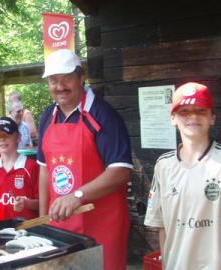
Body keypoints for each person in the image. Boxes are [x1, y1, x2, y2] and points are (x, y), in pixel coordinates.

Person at [144, 82, 221, 270]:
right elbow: (162, 225)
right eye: (184, 111)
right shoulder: (163, 165)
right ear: (173, 118)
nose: (193, 116)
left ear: (212, 117)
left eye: (201, 110)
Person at [37, 49, 133, 270]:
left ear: (81, 78)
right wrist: (43, 221)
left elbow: (121, 171)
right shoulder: (47, 117)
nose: (60, 86)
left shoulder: (103, 115)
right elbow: (44, 170)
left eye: (67, 78)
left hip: (102, 225)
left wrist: (77, 196)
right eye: (53, 80)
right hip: (61, 225)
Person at [0, 117, 39, 221]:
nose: (2, 139)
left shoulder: (31, 167)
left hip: (26, 229)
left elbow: (44, 203)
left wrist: (26, 203)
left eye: (6, 134)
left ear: (18, 137)